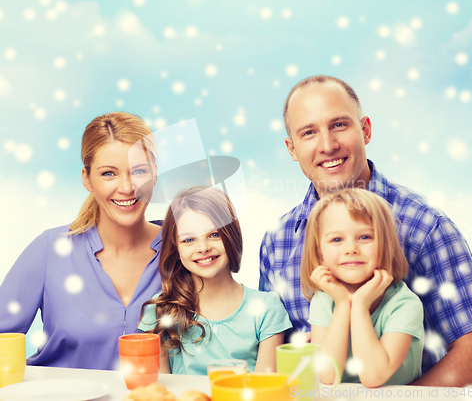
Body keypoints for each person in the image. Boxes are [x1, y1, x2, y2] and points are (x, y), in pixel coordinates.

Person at [259, 75, 472, 387]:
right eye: (309, 133)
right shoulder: (277, 242)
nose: (328, 145)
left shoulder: (425, 227)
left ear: (366, 130)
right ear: (292, 148)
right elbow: (269, 353)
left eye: (340, 125)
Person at [0, 112, 162, 370]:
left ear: (155, 172)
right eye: (109, 173)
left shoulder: (182, 250)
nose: (127, 187)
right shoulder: (50, 250)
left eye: (139, 171)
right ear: (87, 179)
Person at [138, 186, 291, 374]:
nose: (203, 248)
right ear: (176, 249)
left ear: (231, 236)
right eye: (188, 240)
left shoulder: (267, 308)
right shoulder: (160, 311)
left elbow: (265, 389)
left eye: (214, 235)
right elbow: (159, 391)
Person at [302, 188, 424, 386]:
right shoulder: (324, 300)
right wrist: (342, 304)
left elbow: (373, 377)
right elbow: (327, 375)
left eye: (365, 237)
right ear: (319, 253)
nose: (351, 249)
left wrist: (359, 306)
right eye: (336, 239)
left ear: (386, 244)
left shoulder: (405, 304)